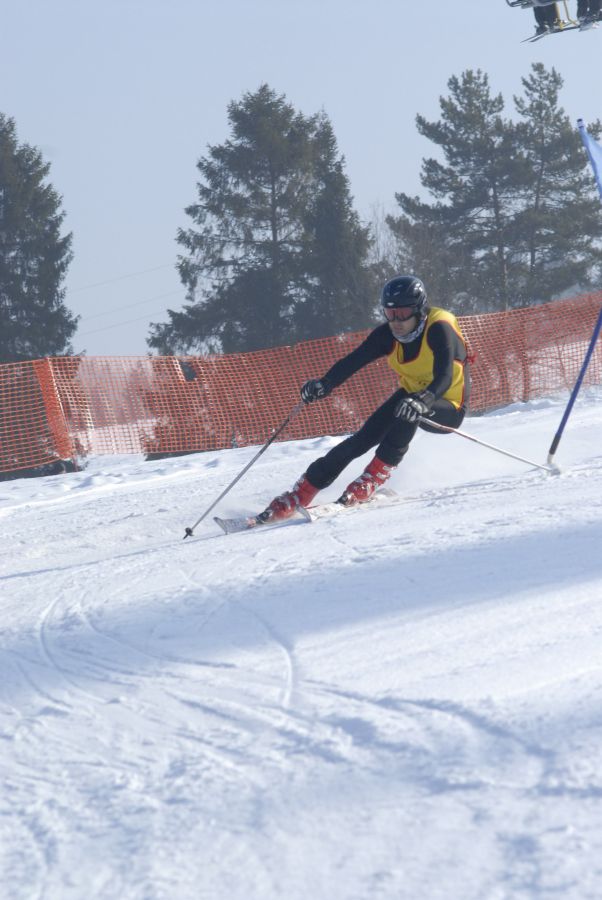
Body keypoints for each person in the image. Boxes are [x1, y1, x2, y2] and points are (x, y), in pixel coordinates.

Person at [259, 275, 471, 522]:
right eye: (390, 314)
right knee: (361, 439)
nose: (396, 322)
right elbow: (353, 361)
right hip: (412, 397)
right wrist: (324, 384)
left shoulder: (439, 328)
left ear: (419, 310)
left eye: (402, 313)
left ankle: (373, 477)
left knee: (407, 409)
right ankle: (301, 492)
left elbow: (445, 374)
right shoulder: (387, 335)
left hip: (447, 404)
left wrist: (424, 400)